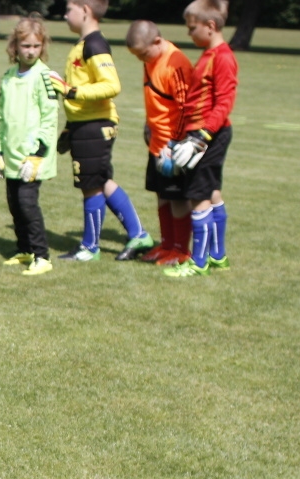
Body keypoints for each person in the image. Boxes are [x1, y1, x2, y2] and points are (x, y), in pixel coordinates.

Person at [50, 0, 154, 261]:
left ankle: (90, 247)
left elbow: (111, 85)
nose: (65, 15)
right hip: (84, 124)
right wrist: (70, 127)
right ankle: (139, 235)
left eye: (69, 9)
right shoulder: (83, 44)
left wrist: (71, 91)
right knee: (101, 181)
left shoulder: (95, 45)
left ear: (85, 10)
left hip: (95, 125)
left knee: (91, 186)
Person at [163, 0, 237, 277]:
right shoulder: (208, 54)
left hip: (209, 135)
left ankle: (199, 262)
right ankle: (217, 256)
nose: (189, 33)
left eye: (192, 28)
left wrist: (202, 137)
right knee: (211, 191)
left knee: (198, 196)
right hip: (199, 134)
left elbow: (225, 101)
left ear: (210, 25)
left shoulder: (223, 57)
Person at [0, 16, 59, 276]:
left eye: (36, 46)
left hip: (32, 157)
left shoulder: (44, 76)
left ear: (43, 46)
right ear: (15, 46)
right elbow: (1, 117)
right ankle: (25, 249)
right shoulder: (8, 77)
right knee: (14, 204)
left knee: (27, 203)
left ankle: (42, 256)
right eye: (26, 46)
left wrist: (37, 154)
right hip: (11, 154)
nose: (31, 51)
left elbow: (49, 118)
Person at [125, 20, 194, 267]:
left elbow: (186, 109)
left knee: (177, 198)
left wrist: (175, 143)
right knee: (162, 195)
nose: (141, 60)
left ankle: (180, 250)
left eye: (143, 54)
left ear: (157, 41)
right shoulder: (150, 59)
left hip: (173, 147)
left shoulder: (176, 64)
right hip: (156, 142)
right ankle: (166, 245)